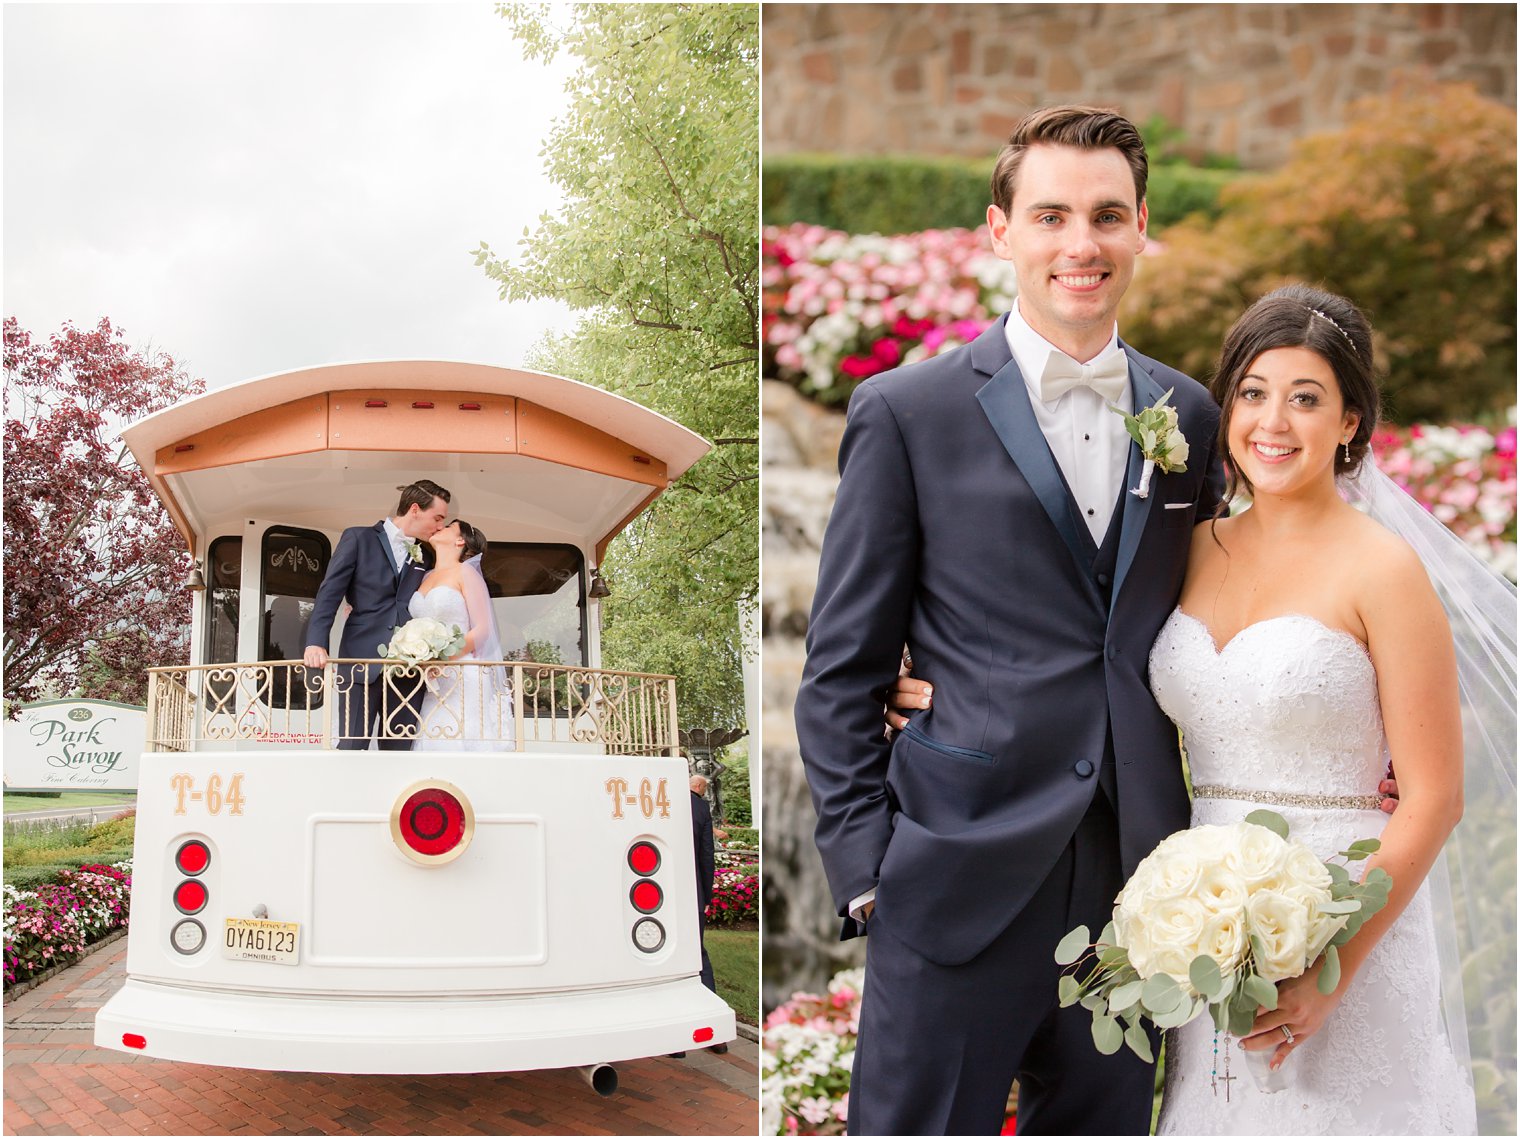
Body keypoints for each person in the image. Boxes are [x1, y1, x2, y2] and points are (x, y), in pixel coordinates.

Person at [892, 286, 1509, 1133]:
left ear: (1351, 421)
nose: (1274, 422)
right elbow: (1072, 635)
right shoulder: (1189, 545)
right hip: (1200, 920)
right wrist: (926, 673)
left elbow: (1436, 795)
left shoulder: (1385, 570)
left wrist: (1331, 968)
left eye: (1307, 398)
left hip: (1345, 911)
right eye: (1253, 392)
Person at [793, 105, 1227, 1135]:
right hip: (951, 874)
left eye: (1106, 216)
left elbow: (1227, 610)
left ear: (1139, 228)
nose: (1080, 244)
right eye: (1050, 215)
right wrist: (868, 874)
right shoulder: (907, 411)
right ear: (1000, 230)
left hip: (1133, 888)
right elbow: (840, 664)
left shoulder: (1191, 415)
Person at [304, 480, 451, 749]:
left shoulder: (425, 558)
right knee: (351, 747)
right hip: (360, 663)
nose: (441, 526)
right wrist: (316, 641)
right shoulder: (358, 538)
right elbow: (329, 593)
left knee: (399, 751)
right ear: (415, 509)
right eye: (438, 518)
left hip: (408, 671)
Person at [409, 520, 513, 751]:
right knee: (431, 737)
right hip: (432, 679)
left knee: (460, 740)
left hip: (462, 676)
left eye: (447, 526)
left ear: (460, 541)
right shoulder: (424, 577)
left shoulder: (466, 573)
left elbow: (482, 630)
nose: (438, 527)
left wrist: (440, 659)